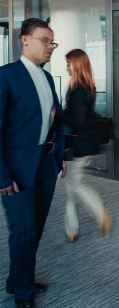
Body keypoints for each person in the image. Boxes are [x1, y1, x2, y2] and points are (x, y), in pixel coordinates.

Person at [0, 18, 65, 308]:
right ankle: (23, 294)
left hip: (45, 163)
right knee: (23, 231)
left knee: (35, 229)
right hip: (16, 168)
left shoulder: (48, 78)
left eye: (53, 42)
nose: (50, 47)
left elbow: (55, 121)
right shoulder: (6, 76)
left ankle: (17, 281)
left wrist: (58, 156)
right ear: (25, 39)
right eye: (45, 40)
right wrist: (1, 175)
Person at [62, 49, 113, 243]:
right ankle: (71, 229)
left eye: (68, 63)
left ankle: (101, 213)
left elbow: (79, 119)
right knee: (71, 185)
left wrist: (58, 114)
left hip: (78, 142)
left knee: (74, 184)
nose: (66, 67)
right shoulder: (85, 86)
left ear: (77, 63)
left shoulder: (78, 89)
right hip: (82, 142)